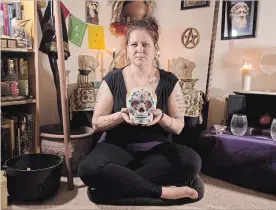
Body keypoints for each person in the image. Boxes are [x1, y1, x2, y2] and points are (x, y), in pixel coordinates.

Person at [78, 17, 203, 203]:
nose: (139, 49)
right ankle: (161, 192)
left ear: (155, 49)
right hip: (117, 146)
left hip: (156, 149)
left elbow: (178, 126)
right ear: (127, 49)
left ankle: (112, 188)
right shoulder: (113, 79)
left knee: (191, 162)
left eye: (146, 44)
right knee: (87, 169)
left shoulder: (169, 81)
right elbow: (96, 122)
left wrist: (161, 118)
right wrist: (120, 116)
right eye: (134, 44)